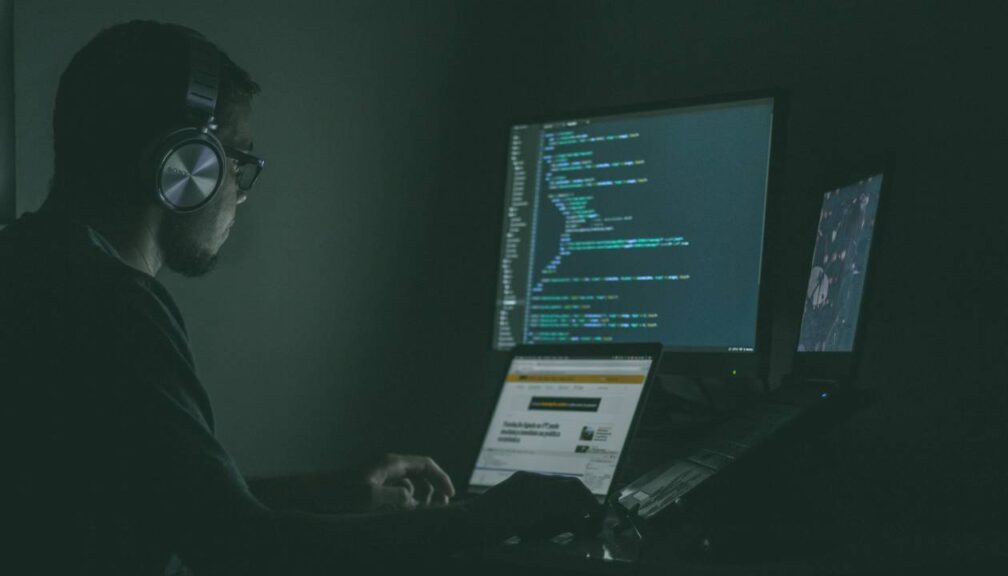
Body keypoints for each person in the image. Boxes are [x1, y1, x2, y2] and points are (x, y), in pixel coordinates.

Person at [0, 20, 598, 575]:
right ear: (187, 165)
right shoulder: (112, 305)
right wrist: (488, 517)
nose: (242, 192)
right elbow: (244, 549)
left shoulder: (31, 265)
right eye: (237, 161)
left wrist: (325, 494)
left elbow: (162, 501)